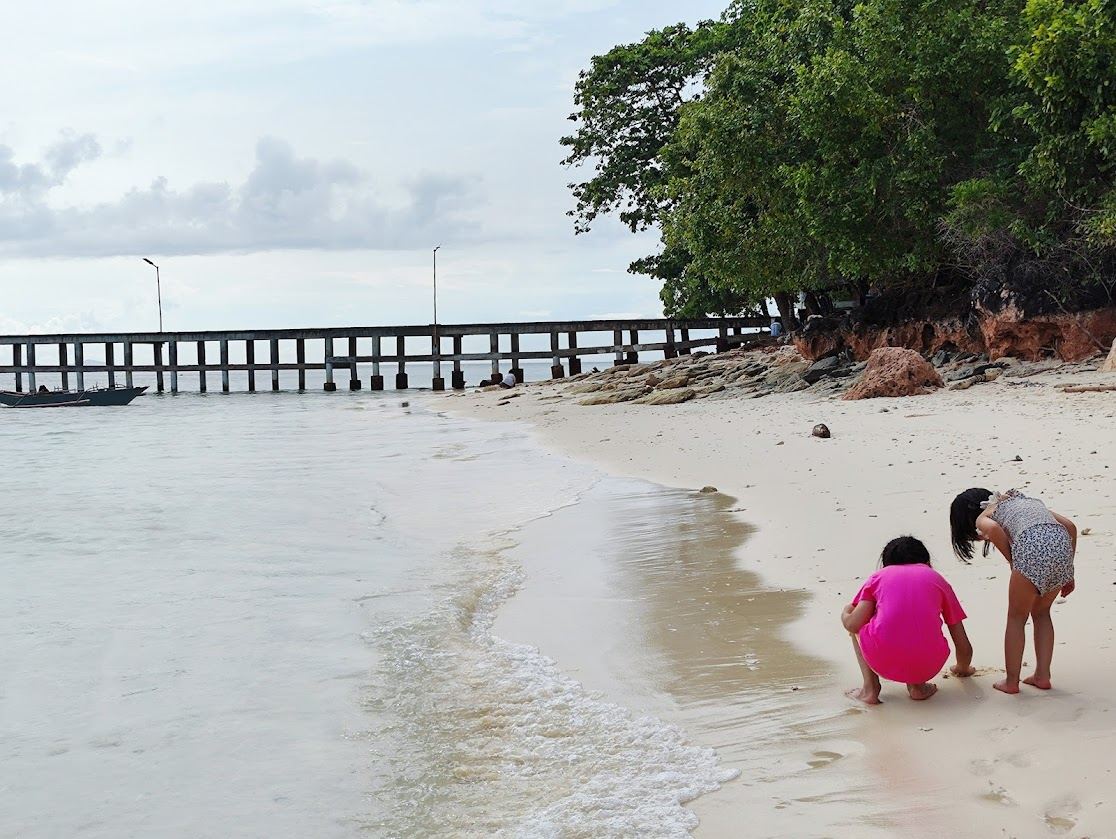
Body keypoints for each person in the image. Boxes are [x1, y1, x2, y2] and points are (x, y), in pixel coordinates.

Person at [950, 488, 1077, 694]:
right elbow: (1070, 526)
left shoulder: (984, 515)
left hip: (1030, 549)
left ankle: (1011, 681)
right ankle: (1042, 675)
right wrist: (1068, 570)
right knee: (1042, 613)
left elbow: (993, 529)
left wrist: (1012, 560)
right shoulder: (1025, 502)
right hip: (1061, 546)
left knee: (1017, 617)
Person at [842, 536, 974, 704]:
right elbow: (962, 643)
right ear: (927, 562)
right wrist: (962, 668)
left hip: (882, 660)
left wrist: (846, 612)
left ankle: (870, 689)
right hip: (929, 664)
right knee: (915, 624)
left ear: (886, 564)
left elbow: (853, 624)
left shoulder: (879, 577)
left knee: (863, 626)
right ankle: (918, 687)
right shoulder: (937, 579)